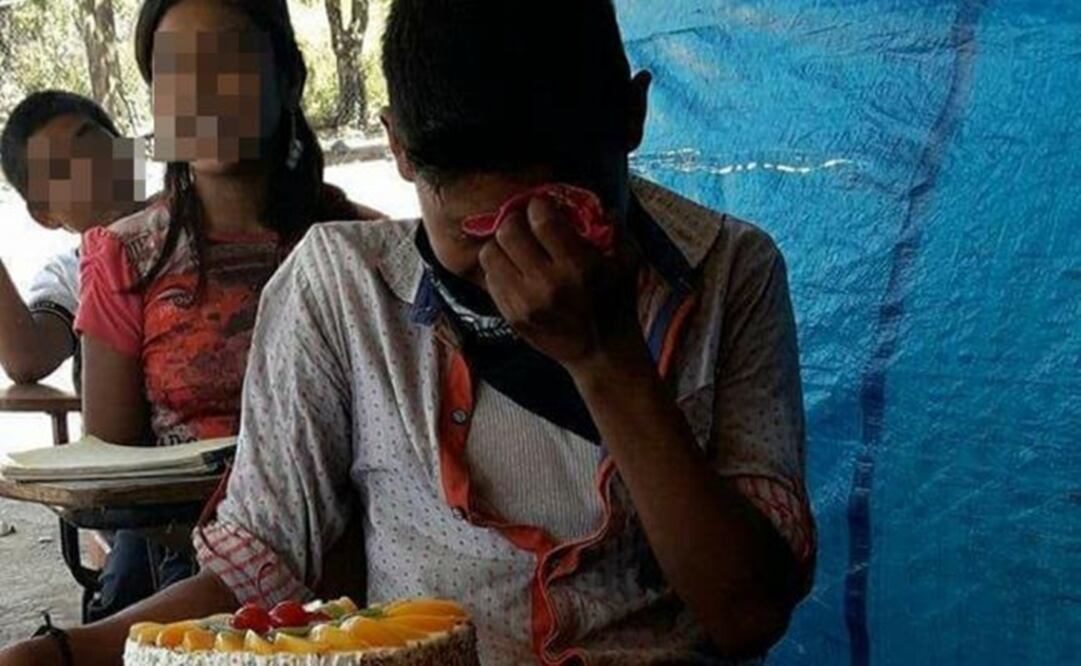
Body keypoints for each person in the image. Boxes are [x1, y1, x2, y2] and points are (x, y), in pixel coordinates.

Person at [0, 0, 813, 663]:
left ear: (633, 118)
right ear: (398, 150)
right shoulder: (344, 286)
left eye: (564, 217)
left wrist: (605, 362)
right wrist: (69, 653)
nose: (521, 262)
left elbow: (745, 615)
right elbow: (265, 558)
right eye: (474, 231)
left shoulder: (724, 271)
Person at [70, 0, 382, 623]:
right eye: (173, 72)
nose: (199, 93)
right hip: (191, 578)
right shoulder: (125, 259)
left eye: (228, 62)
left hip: (368, 577)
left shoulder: (365, 249)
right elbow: (111, 473)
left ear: (289, 78)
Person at [0, 91, 146, 385]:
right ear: (45, 215)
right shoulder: (69, 275)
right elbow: (29, 358)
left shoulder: (201, 218)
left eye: (93, 147)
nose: (89, 171)